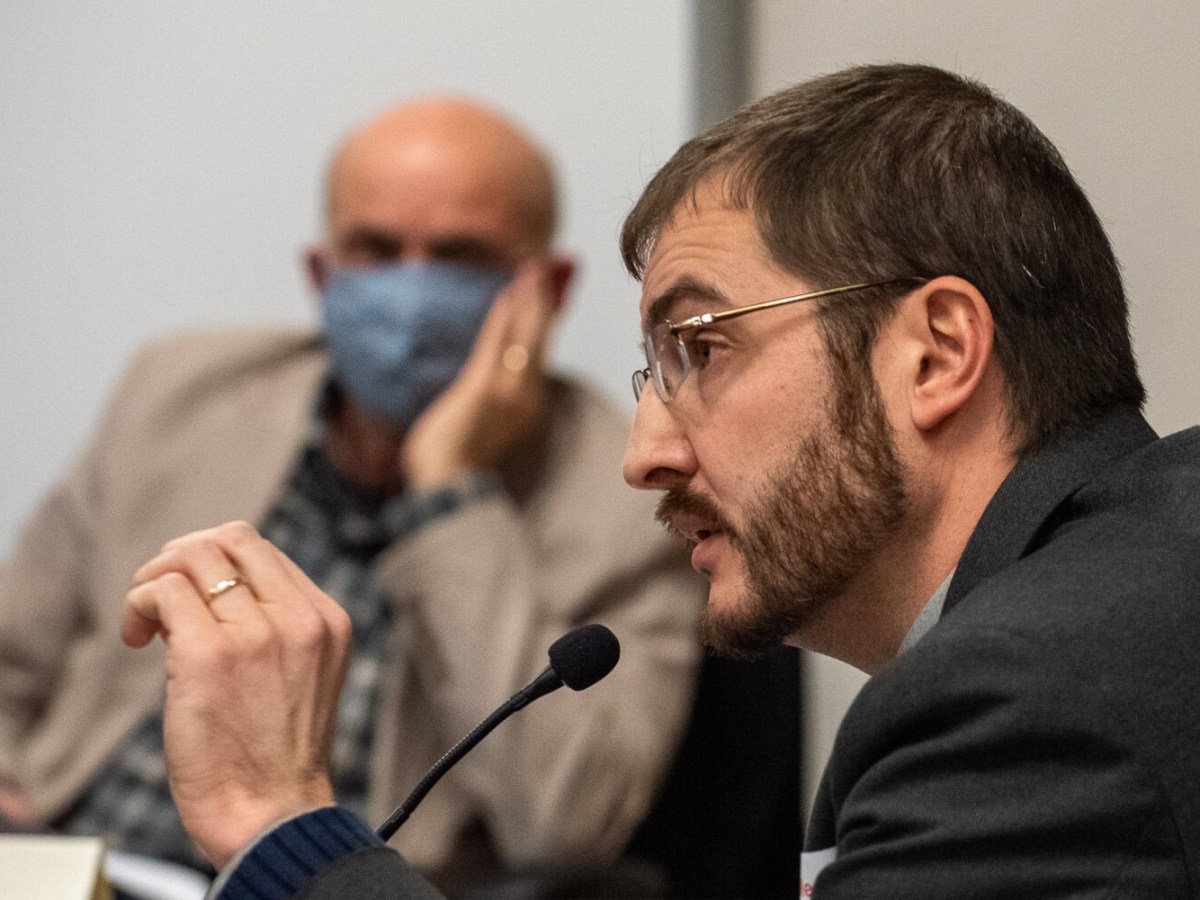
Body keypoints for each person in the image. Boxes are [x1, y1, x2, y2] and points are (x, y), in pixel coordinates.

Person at [125, 62, 1200, 897]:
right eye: (655, 370)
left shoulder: (1024, 707)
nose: (644, 454)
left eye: (702, 347)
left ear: (934, 353)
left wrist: (282, 823)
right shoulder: (1116, 594)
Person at [0, 98, 704, 893]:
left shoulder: (630, 487)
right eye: (375, 250)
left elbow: (570, 824)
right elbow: (12, 657)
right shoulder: (181, 394)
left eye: (460, 257)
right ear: (321, 273)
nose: (411, 292)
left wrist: (448, 488)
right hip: (73, 859)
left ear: (550, 287)